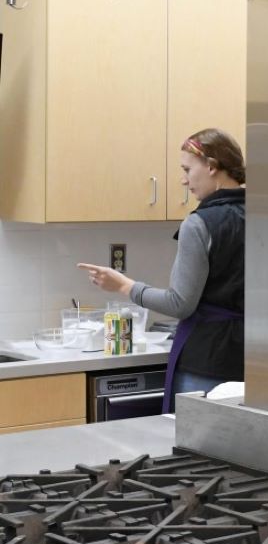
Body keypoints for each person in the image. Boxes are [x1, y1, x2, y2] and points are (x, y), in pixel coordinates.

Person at [78, 128, 246, 412]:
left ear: (212, 166)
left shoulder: (200, 223)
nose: (183, 179)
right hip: (258, 359)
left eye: (187, 169)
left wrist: (124, 286)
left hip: (207, 360)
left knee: (195, 451)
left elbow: (180, 304)